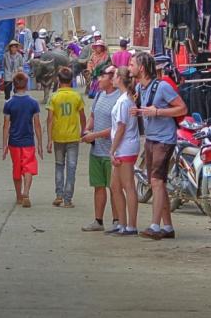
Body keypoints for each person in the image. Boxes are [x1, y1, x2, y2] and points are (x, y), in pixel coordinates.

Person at [129, 51, 188, 240]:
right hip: (151, 138)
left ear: (142, 68)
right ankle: (168, 227)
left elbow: (182, 108)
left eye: (132, 64)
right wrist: (139, 112)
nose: (130, 67)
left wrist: (158, 112)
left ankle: (155, 225)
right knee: (158, 182)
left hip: (164, 139)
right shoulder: (141, 88)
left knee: (156, 181)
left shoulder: (162, 87)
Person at [80, 68, 121, 233]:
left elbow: (117, 128)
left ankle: (117, 220)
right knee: (98, 186)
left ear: (112, 80)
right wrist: (87, 130)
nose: (99, 80)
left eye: (102, 77)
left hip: (112, 150)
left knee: (114, 188)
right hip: (96, 149)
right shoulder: (98, 95)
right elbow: (93, 117)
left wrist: (94, 135)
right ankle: (98, 220)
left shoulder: (120, 99)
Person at [2, 72, 43, 208]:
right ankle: (26, 192)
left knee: (16, 169)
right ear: (26, 85)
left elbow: (6, 126)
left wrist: (4, 145)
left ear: (14, 85)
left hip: (14, 142)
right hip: (28, 141)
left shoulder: (9, 103)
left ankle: (19, 195)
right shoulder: (33, 103)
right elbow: (37, 124)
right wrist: (40, 144)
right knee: (28, 167)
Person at [46, 67, 85, 208]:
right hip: (73, 137)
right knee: (72, 167)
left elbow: (49, 119)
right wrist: (83, 131)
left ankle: (59, 195)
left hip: (58, 137)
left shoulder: (54, 97)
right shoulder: (76, 96)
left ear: (58, 80)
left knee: (59, 165)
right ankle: (68, 199)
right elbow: (82, 116)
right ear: (72, 80)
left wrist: (49, 139)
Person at [109, 66, 140, 236]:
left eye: (114, 76)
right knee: (115, 186)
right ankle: (122, 223)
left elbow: (121, 127)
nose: (112, 78)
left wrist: (112, 150)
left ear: (120, 79)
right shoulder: (125, 99)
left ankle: (131, 225)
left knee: (127, 185)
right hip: (124, 145)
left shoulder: (124, 101)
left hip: (125, 146)